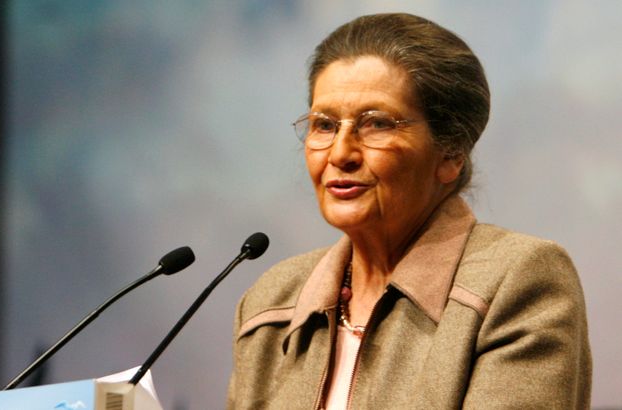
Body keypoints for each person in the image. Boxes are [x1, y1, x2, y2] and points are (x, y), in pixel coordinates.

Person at [227, 13, 591, 409]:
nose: (340, 153)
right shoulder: (271, 303)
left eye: (377, 124)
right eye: (325, 125)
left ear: (451, 153)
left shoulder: (517, 281)